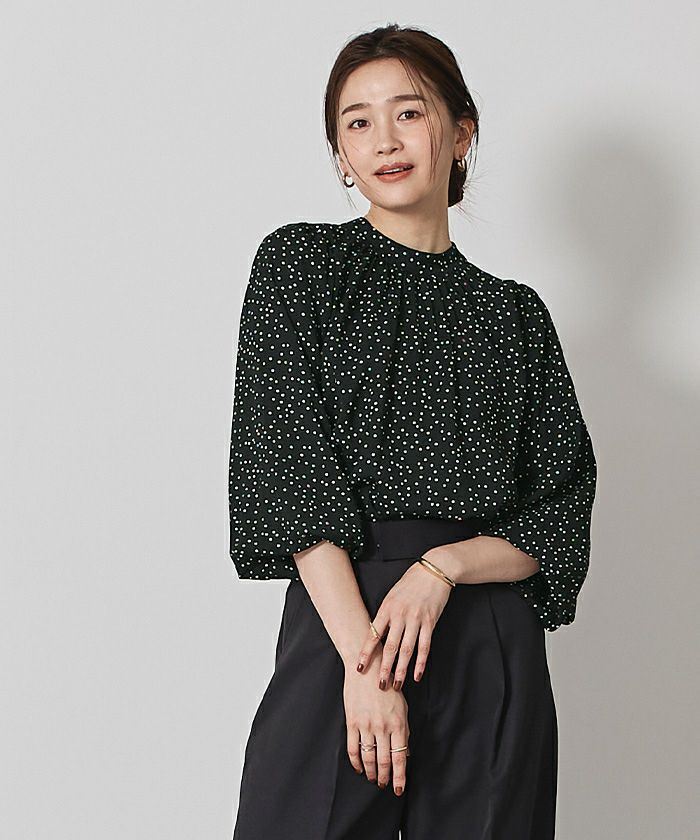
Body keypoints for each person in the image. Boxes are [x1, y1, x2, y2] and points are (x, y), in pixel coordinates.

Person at [228, 23, 597, 840]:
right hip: (345, 618)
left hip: (486, 633)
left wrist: (444, 567)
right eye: (357, 122)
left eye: (409, 113)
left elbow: (561, 512)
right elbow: (291, 470)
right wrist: (364, 667)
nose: (384, 141)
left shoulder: (515, 315)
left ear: (460, 132)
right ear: (340, 152)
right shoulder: (301, 267)